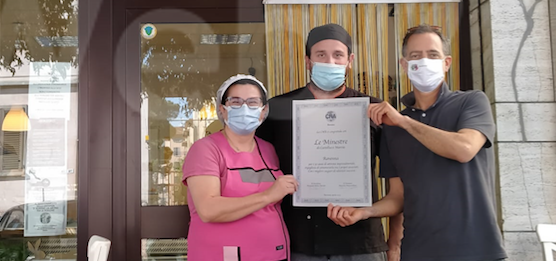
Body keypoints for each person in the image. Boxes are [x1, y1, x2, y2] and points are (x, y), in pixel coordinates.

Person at [327, 24, 507, 261]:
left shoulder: (471, 102)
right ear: (404, 65)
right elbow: (398, 197)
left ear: (446, 62)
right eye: (415, 56)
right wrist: (364, 212)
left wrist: (404, 122)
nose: (424, 61)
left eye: (432, 55)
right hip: (418, 250)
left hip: (478, 250)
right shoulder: (392, 127)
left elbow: (464, 149)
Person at [257, 23, 397, 261]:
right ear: (308, 61)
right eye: (321, 55)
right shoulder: (278, 109)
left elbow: (399, 185)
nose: (330, 62)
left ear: (350, 60)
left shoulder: (373, 110)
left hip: (361, 244)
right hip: (299, 242)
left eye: (338, 55)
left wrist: (394, 245)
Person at [182, 74, 296, 261]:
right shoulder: (205, 149)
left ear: (263, 111)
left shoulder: (268, 149)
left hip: (274, 255)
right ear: (223, 109)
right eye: (235, 102)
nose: (244, 108)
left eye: (252, 102)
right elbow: (208, 209)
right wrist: (268, 195)